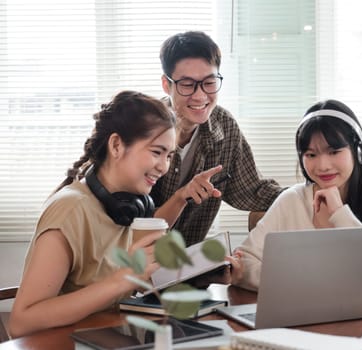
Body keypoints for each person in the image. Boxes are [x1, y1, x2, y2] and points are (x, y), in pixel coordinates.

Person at [8, 91, 177, 337]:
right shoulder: (70, 210)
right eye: (156, 152)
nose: (164, 167)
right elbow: (21, 323)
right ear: (117, 145)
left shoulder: (129, 207)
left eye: (169, 155)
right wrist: (125, 278)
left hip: (107, 338)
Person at [229, 99, 362, 295]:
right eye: (311, 155)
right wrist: (306, 282)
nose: (323, 165)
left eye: (334, 152)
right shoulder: (292, 200)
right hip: (298, 316)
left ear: (359, 151)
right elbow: (245, 261)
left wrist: (340, 216)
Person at [151, 31, 283, 246]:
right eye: (187, 84)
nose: (200, 95)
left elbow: (253, 190)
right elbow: (127, 216)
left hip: (187, 265)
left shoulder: (224, 125)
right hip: (135, 262)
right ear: (167, 85)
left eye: (209, 83)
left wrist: (309, 192)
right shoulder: (143, 128)